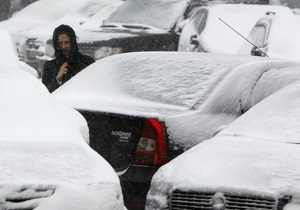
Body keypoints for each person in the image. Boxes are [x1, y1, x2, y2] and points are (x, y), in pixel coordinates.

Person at [42, 24, 95, 92]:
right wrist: (58, 79)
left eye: (67, 42)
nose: (63, 46)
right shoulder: (49, 66)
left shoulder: (88, 62)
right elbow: (45, 94)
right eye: (60, 43)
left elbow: (94, 88)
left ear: (72, 42)